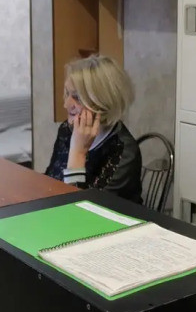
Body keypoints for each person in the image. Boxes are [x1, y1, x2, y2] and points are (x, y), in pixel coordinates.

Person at [45, 54, 143, 203]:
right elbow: (51, 182)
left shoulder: (124, 152)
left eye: (77, 97)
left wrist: (78, 153)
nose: (66, 104)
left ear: (103, 101)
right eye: (67, 94)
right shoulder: (67, 129)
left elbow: (82, 209)